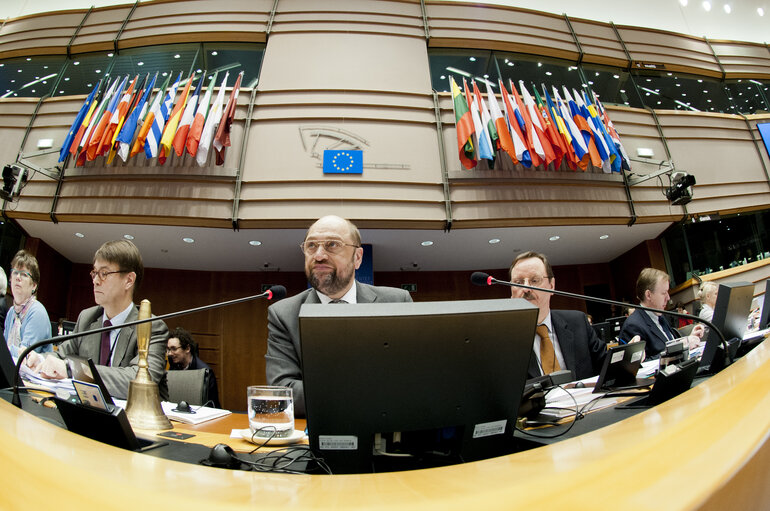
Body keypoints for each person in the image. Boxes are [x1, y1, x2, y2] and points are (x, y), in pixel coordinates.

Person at [265, 215, 412, 416]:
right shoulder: (283, 314)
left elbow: (411, 377)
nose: (319, 255)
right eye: (311, 246)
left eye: (332, 245)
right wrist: (368, 392)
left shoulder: (397, 302)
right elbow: (284, 391)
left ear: (357, 257)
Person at [36, 240, 169, 400]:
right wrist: (40, 359)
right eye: (94, 273)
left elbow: (140, 380)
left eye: (104, 273)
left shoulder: (151, 327)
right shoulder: (87, 318)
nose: (95, 281)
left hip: (135, 421)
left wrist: (74, 370)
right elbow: (62, 355)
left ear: (128, 280)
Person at [509, 251, 608, 380]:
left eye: (534, 280)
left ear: (552, 285)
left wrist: (628, 355)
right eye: (518, 282)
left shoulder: (577, 322)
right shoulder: (501, 339)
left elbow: (606, 366)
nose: (526, 289)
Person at [619, 268, 704, 358]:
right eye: (664, 293)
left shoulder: (659, 315)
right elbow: (640, 366)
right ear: (648, 295)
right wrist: (684, 345)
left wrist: (690, 339)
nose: (668, 298)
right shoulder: (632, 326)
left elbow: (671, 344)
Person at [4, 250, 52, 363]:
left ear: (34, 286)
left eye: (24, 274)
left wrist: (5, 350)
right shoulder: (12, 311)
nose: (18, 277)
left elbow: (25, 356)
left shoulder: (37, 312)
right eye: (15, 272)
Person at [167, 327, 220, 408]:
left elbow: (212, 405)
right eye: (168, 349)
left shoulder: (204, 372)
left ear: (187, 348)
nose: (169, 353)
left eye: (174, 349)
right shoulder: (173, 367)